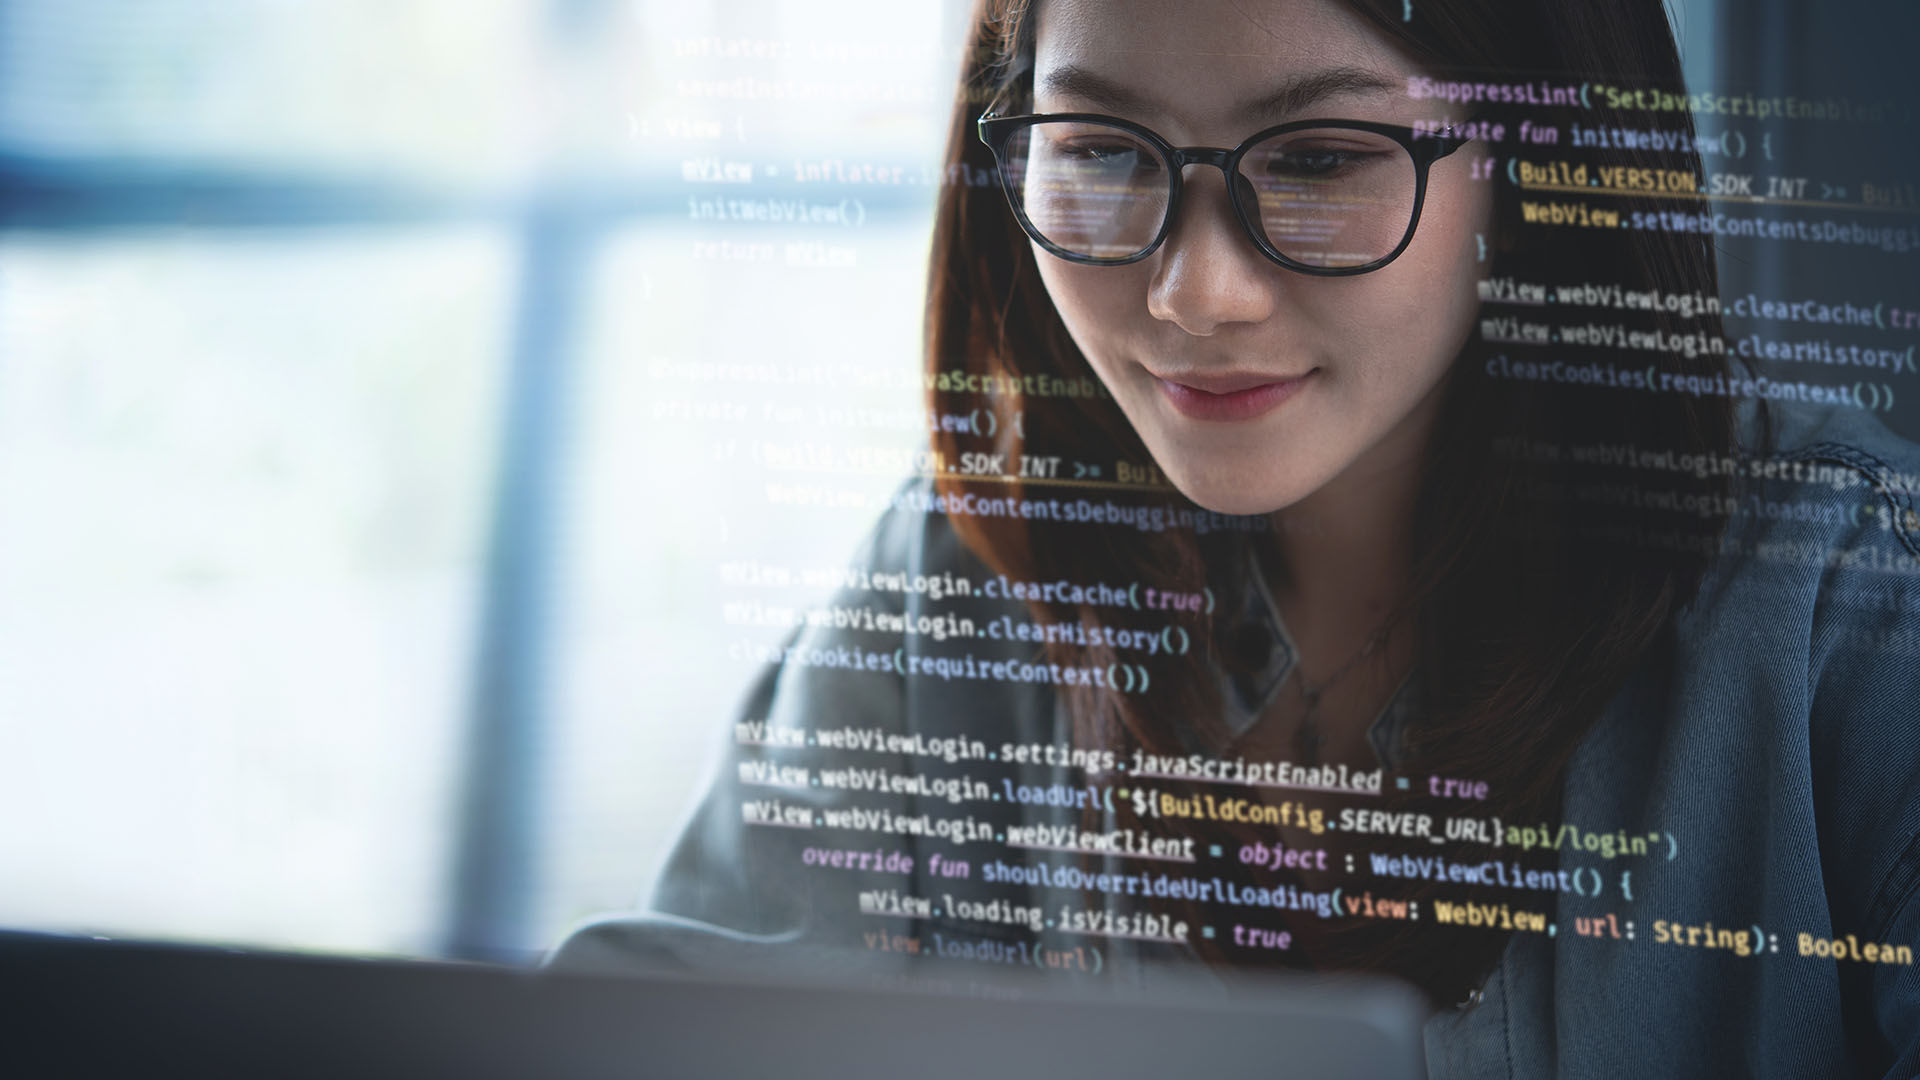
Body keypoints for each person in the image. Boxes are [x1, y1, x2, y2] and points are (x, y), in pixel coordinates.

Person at [554, 0, 1920, 1073]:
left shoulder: (1848, 600)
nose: (1195, 291)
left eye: (1320, 158)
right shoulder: (968, 559)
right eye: (1097, 152)